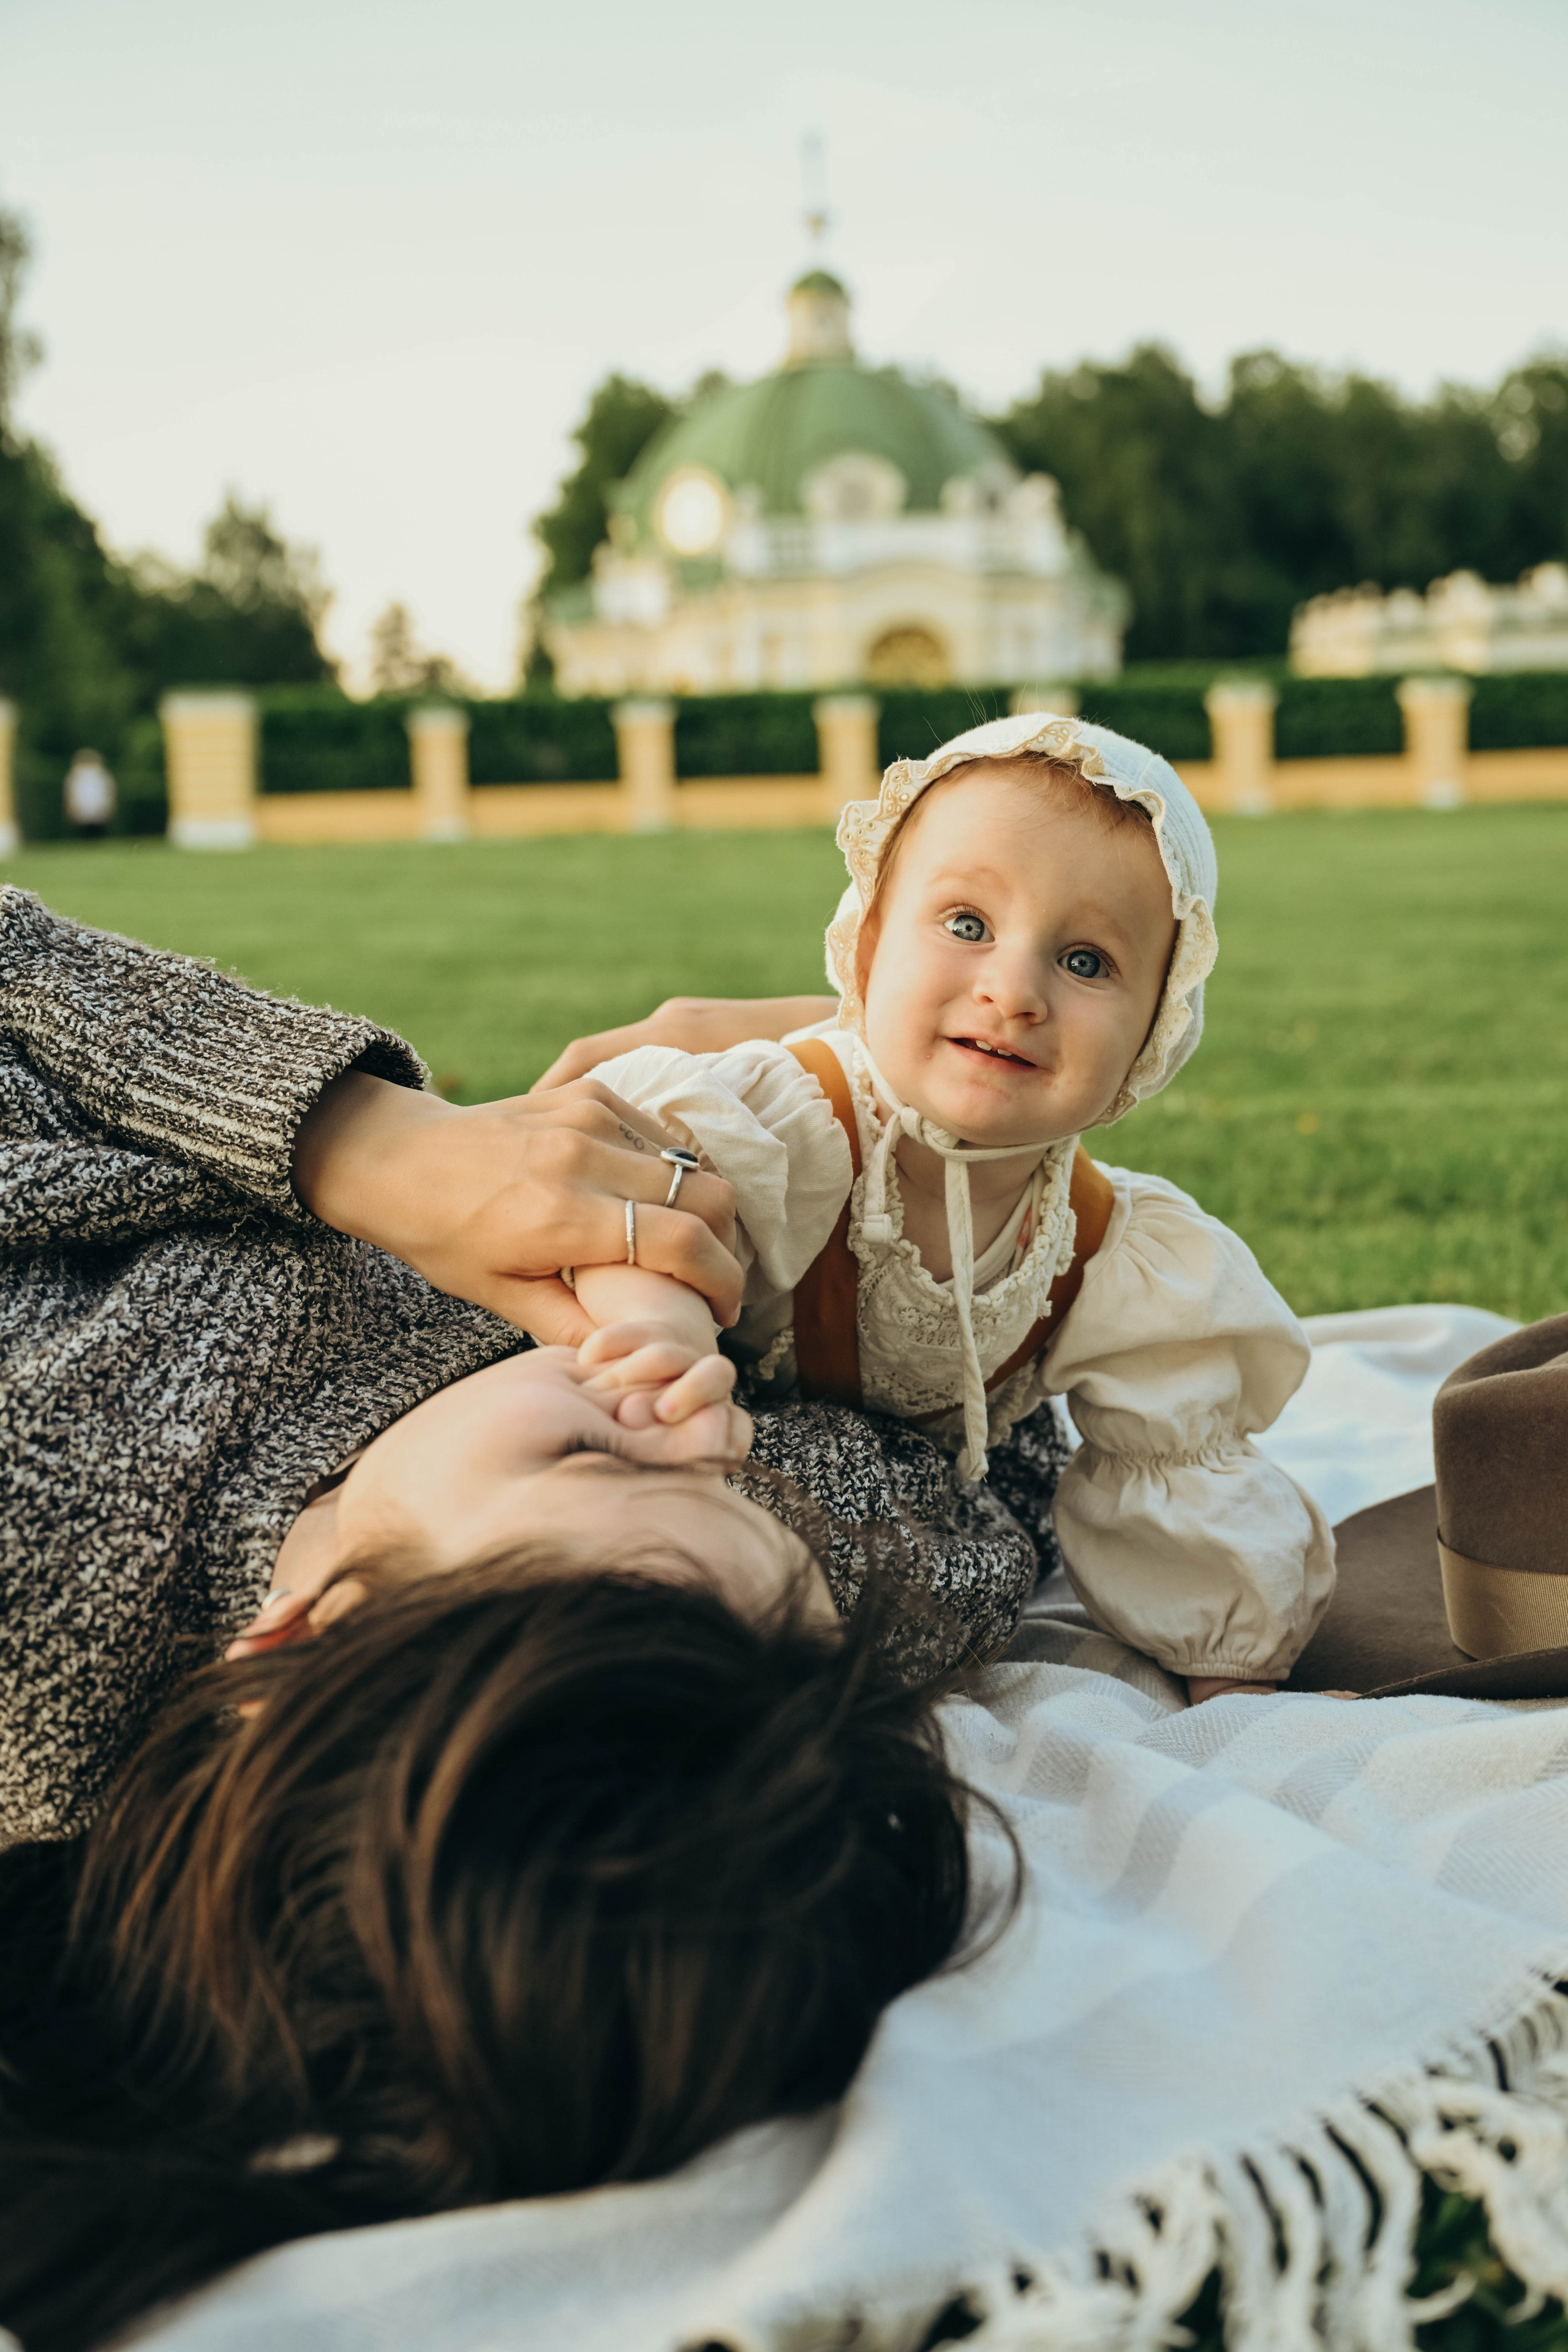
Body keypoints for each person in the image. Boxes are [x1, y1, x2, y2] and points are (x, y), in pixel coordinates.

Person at [0, 882, 1047, 1845]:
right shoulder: (731, 1600)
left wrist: (359, 1144)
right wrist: (872, 1072)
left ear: (307, 1635)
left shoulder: (47, 1552)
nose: (706, 1422)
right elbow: (1014, 1453)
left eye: (599, 1456)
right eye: (750, 1488)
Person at [561, 712, 1336, 1705]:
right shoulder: (788, 1115)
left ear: (1153, 1038)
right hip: (681, 1416)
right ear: (870, 945)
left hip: (921, 1473)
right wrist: (658, 1338)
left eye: (1087, 962)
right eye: (967, 925)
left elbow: (1180, 1460)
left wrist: (1232, 1671)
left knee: (970, 1560)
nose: (1014, 991)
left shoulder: (1108, 1246)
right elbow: (640, 1194)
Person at [62, 747, 116, 839]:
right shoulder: (75, 775)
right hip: (83, 804)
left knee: (98, 827)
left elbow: (109, 790)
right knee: (83, 828)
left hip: (97, 803)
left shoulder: (102, 775)